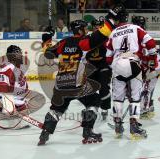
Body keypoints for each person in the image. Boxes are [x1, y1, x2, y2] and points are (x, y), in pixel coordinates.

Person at [38, 4, 125, 145]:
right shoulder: (83, 43)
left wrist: (46, 37)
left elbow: (48, 53)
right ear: (80, 30)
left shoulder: (63, 43)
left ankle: (44, 133)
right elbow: (103, 34)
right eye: (85, 28)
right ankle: (88, 131)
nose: (87, 30)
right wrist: (111, 17)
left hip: (61, 84)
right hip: (77, 84)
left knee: (57, 108)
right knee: (94, 101)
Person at [106, 9, 158, 139]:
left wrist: (116, 67)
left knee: (118, 98)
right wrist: (151, 60)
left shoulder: (113, 33)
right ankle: (134, 126)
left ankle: (118, 126)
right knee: (135, 98)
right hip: (133, 63)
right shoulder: (135, 28)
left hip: (118, 65)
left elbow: (108, 57)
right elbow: (151, 44)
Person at [132, 16, 160, 119]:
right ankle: (149, 104)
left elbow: (151, 60)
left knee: (146, 89)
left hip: (152, 68)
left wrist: (147, 71)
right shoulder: (138, 36)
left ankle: (145, 109)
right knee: (145, 88)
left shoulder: (143, 37)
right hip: (147, 66)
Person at [86, 19, 112, 120]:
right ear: (92, 27)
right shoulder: (87, 38)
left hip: (103, 66)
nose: (97, 28)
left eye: (99, 26)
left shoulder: (107, 38)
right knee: (89, 90)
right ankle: (91, 108)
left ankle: (105, 108)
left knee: (104, 88)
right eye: (95, 26)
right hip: (91, 67)